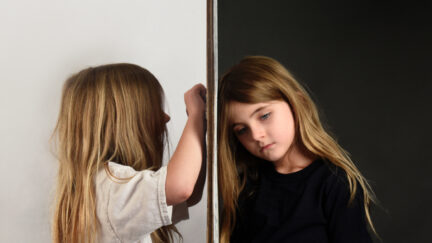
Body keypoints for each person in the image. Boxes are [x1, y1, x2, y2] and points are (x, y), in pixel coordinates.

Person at [218, 56, 377, 243]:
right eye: (242, 129)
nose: (256, 135)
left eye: (264, 116)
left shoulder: (335, 183)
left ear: (296, 103)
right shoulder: (247, 187)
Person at [51, 63, 206, 243]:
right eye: (153, 108)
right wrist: (195, 115)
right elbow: (181, 188)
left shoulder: (101, 186)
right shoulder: (113, 188)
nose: (166, 118)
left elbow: (190, 194)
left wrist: (201, 126)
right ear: (126, 121)